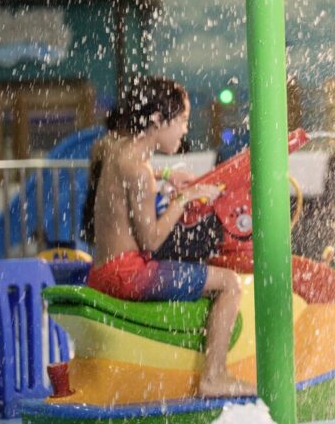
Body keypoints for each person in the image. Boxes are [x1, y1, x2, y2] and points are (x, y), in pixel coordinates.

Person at [82, 76, 255, 398]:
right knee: (229, 281)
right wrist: (183, 200)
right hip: (128, 275)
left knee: (196, 270)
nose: (186, 130)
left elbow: (132, 180)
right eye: (183, 121)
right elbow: (151, 241)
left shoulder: (118, 152)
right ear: (158, 120)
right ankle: (213, 376)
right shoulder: (140, 172)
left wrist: (166, 176)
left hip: (102, 270)